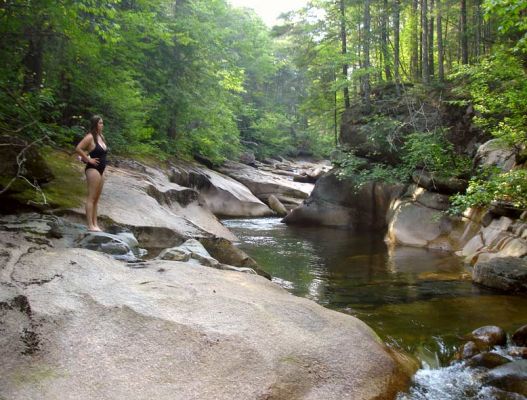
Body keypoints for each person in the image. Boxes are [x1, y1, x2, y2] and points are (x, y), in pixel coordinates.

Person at [75, 115, 108, 232]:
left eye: (102, 123)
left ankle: (95, 224)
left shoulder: (101, 137)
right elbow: (78, 148)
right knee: (91, 197)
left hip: (102, 170)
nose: (102, 125)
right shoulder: (90, 137)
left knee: (97, 199)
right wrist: (88, 159)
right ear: (95, 124)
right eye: (100, 123)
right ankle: (90, 225)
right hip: (92, 169)